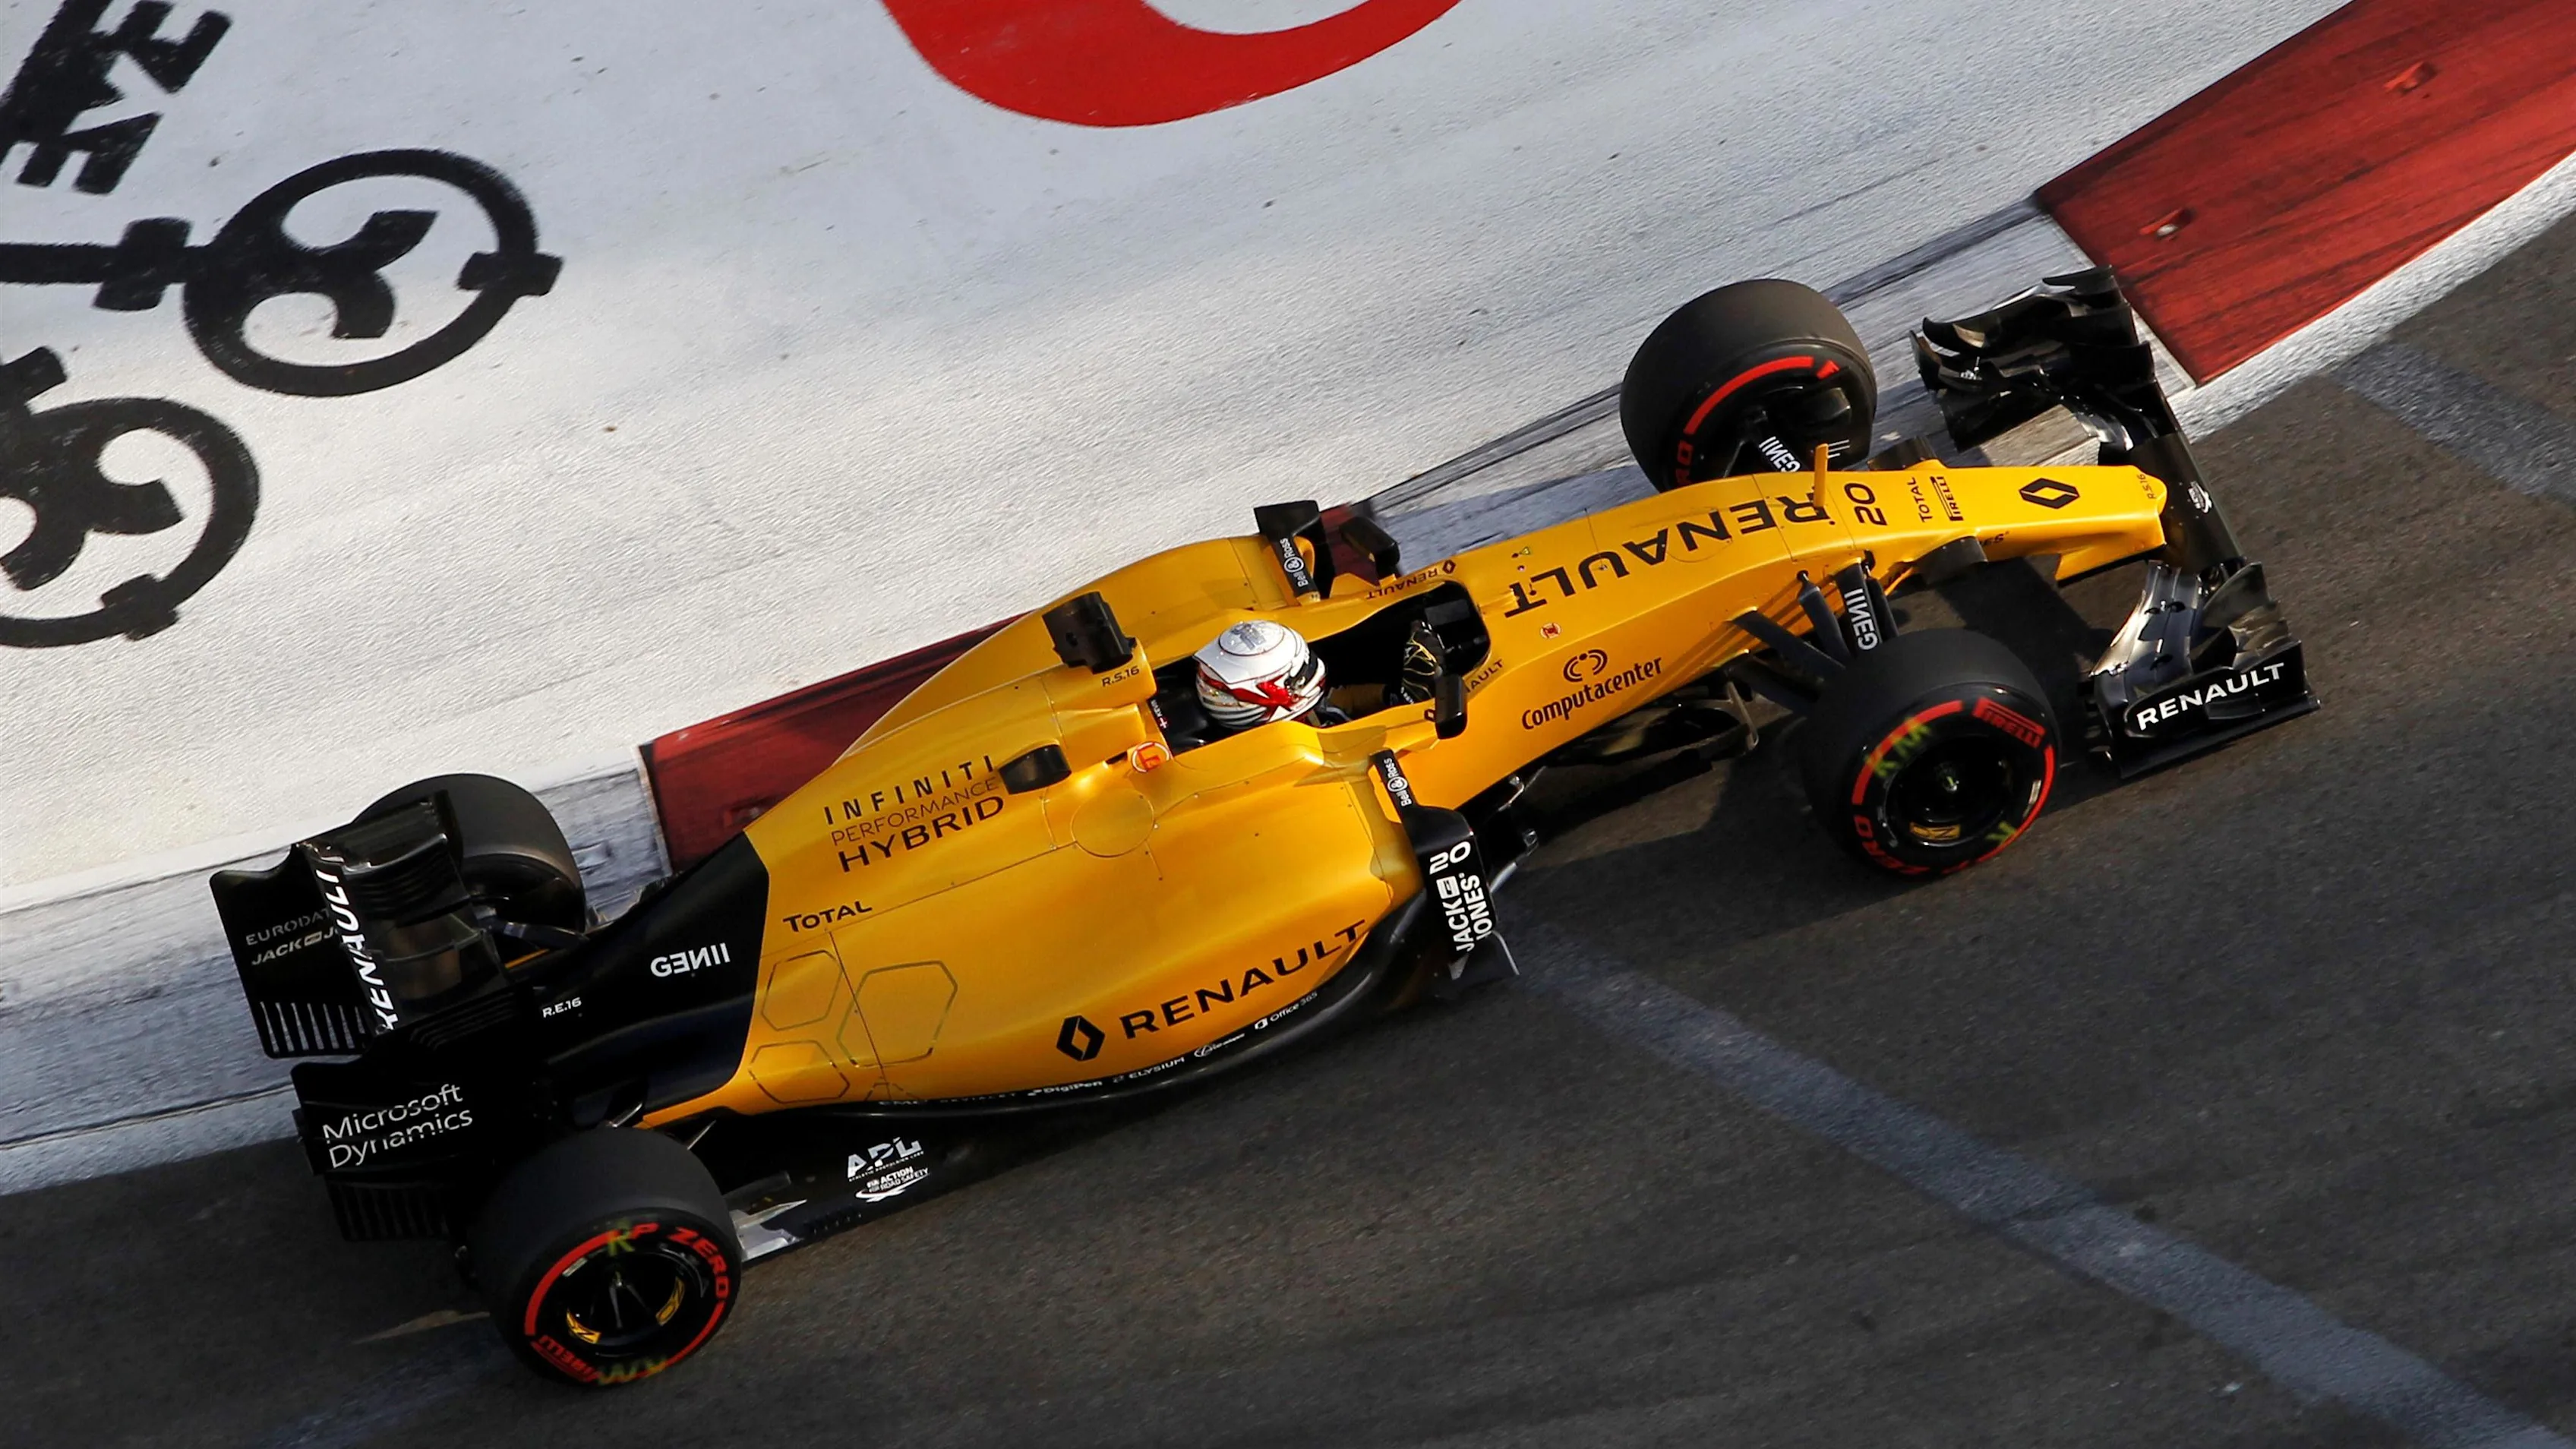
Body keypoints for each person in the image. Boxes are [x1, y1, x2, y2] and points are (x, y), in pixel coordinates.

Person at [1184, 617, 1442, 742]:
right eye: (1300, 675)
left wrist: (1401, 697)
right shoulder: (1291, 746)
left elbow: (1337, 702)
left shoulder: (1299, 722)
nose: (1205, 687)